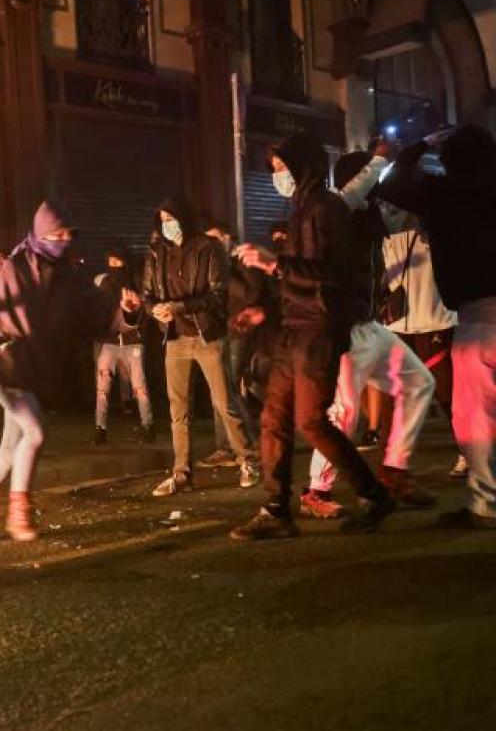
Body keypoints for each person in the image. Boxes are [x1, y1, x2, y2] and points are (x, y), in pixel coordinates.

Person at [230, 132, 396, 540]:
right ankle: (275, 509)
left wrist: (275, 267)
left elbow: (332, 277)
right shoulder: (302, 208)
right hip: (293, 329)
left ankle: (374, 494)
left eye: (283, 168)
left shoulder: (326, 209)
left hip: (319, 332)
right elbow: (298, 278)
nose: (278, 177)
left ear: (302, 167)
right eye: (274, 171)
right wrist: (265, 310)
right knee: (274, 419)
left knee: (310, 421)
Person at [300, 149, 437, 519]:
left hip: (370, 326)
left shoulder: (369, 216)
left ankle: (394, 468)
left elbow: (398, 208)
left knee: (419, 382)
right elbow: (349, 200)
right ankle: (316, 489)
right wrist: (382, 160)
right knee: (344, 414)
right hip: (344, 329)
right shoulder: (333, 215)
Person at [379, 124, 496, 530]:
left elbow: (391, 183)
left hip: (478, 317)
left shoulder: (446, 194)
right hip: (477, 314)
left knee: (476, 416)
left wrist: (421, 145)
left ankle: (487, 505)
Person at [0, 201, 84, 543]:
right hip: (3, 368)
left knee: (10, 449)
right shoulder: (9, 269)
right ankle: (18, 509)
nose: (64, 240)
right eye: (58, 234)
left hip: (25, 370)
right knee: (35, 432)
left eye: (69, 234)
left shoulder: (56, 273)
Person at [142, 198, 260, 496]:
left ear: (184, 218)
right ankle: (182, 472)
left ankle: (248, 460)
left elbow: (219, 295)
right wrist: (154, 308)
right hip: (175, 338)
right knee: (178, 409)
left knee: (224, 402)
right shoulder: (156, 252)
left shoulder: (208, 247)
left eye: (172, 217)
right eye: (163, 219)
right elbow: (147, 294)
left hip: (208, 336)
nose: (168, 224)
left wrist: (180, 307)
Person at [379, 198, 467, 478]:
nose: (392, 212)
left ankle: (469, 452)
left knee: (447, 394)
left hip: (435, 322)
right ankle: (393, 468)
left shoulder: (437, 232)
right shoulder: (381, 235)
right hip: (397, 327)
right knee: (395, 398)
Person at [199, 221, 264, 469]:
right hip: (218, 331)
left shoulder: (243, 260)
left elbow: (251, 295)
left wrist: (227, 271)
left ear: (228, 238)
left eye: (215, 240)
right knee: (223, 391)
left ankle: (237, 445)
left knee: (226, 391)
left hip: (240, 332)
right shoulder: (212, 263)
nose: (211, 246)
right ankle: (233, 444)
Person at [91, 247, 154, 445]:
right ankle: (100, 428)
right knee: (102, 389)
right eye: (111, 261)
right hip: (108, 343)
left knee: (140, 387)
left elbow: (142, 313)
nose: (114, 266)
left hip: (132, 342)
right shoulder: (103, 282)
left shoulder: (135, 284)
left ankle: (148, 426)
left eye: (118, 262)